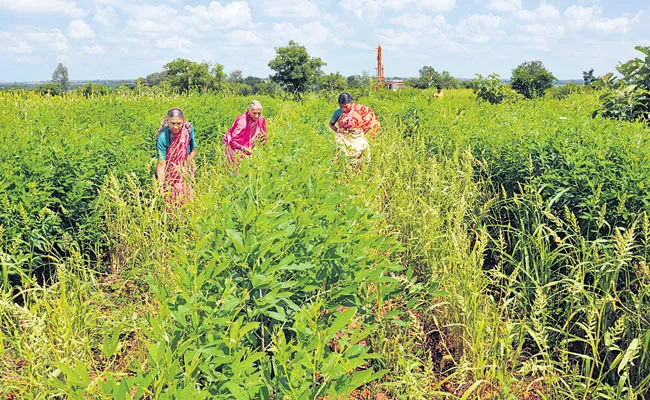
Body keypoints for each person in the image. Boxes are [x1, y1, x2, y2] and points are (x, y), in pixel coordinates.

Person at [156, 108, 196, 204]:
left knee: (187, 197)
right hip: (170, 171)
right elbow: (161, 163)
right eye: (172, 123)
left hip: (185, 168)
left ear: (183, 120)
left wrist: (186, 166)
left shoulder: (188, 130)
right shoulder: (162, 137)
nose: (176, 127)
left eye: (179, 123)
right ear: (167, 121)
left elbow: (193, 150)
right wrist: (160, 185)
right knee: (171, 198)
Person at [329, 92, 380, 167]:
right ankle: (346, 172)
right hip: (343, 137)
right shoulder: (337, 112)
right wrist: (339, 132)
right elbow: (331, 124)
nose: (343, 109)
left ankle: (360, 171)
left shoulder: (359, 110)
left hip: (357, 136)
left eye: (346, 106)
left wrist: (361, 134)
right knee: (344, 155)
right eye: (341, 107)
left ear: (351, 103)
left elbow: (369, 123)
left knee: (362, 154)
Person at [223, 100, 268, 171]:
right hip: (234, 146)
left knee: (251, 169)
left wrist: (264, 139)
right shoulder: (242, 122)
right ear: (248, 111)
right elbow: (232, 141)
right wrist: (243, 149)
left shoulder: (261, 119)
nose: (256, 116)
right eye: (254, 113)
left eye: (259, 113)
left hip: (248, 145)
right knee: (235, 170)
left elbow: (264, 133)